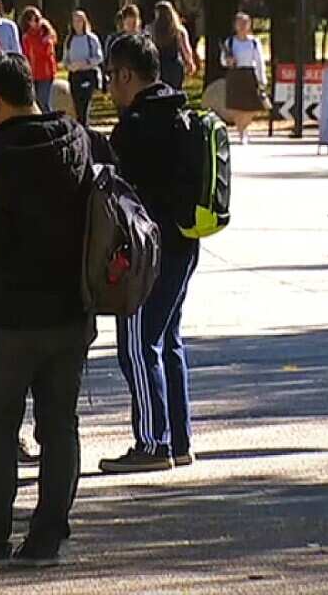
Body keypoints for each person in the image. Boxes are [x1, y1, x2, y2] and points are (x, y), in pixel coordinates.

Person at [0, 52, 96, 568]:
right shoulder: (75, 137)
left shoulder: (0, 158)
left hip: (11, 318)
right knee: (59, 425)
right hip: (71, 312)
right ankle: (48, 534)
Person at [99, 33, 200, 474]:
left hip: (149, 253)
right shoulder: (180, 113)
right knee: (167, 341)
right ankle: (179, 439)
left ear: (126, 74)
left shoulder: (136, 125)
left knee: (138, 346)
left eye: (111, 77)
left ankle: (152, 443)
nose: (109, 88)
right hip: (184, 244)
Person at [222, 12, 269, 145]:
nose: (242, 26)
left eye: (245, 23)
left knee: (251, 107)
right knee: (236, 107)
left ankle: (245, 127)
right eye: (239, 23)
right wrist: (228, 61)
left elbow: (259, 61)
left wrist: (262, 79)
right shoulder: (230, 42)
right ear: (235, 25)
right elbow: (222, 60)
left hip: (249, 74)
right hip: (235, 75)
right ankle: (241, 131)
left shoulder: (254, 42)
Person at [62, 10, 104, 126]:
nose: (77, 23)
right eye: (75, 21)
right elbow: (65, 60)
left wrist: (85, 63)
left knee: (85, 105)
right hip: (75, 76)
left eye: (80, 20)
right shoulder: (69, 40)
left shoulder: (91, 38)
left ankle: (85, 127)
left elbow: (99, 57)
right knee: (77, 105)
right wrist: (70, 66)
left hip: (88, 74)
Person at [148, 0, 197, 92]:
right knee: (175, 91)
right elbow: (186, 49)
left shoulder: (152, 31)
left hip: (159, 66)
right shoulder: (179, 30)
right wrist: (190, 62)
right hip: (175, 65)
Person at [21, 7, 58, 111]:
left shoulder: (47, 34)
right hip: (32, 73)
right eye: (31, 20)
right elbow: (26, 54)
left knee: (43, 102)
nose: (34, 23)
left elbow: (46, 53)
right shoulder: (26, 37)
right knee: (35, 102)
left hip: (46, 74)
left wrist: (44, 41)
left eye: (36, 19)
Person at [103, 5, 143, 92]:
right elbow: (109, 62)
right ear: (123, 22)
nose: (131, 27)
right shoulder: (116, 41)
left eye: (134, 23)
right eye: (129, 24)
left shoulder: (145, 40)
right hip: (123, 80)